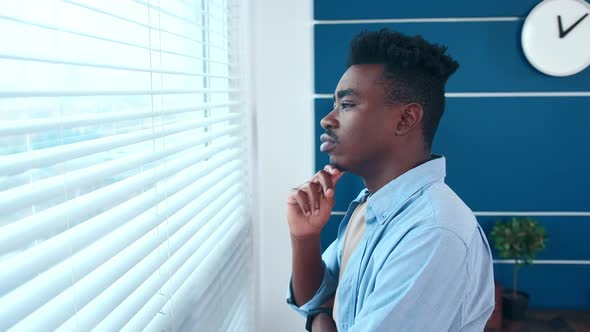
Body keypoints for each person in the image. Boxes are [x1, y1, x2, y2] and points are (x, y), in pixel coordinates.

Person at [285, 28, 495, 331]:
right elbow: (318, 299)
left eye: (346, 105)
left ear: (406, 119)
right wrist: (304, 237)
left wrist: (319, 318)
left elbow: (320, 310)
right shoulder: (371, 205)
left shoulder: (434, 232)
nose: (327, 119)